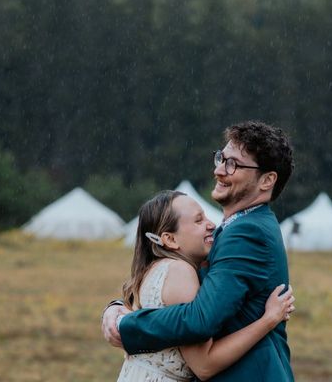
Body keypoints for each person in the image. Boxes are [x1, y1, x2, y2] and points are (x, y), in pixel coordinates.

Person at [103, 121, 296, 381]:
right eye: (221, 158)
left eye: (233, 164)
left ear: (267, 180)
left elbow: (201, 318)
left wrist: (127, 324)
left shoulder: (248, 233)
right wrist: (117, 307)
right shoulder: (232, 229)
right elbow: (171, 287)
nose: (219, 170)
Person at [117, 190, 294, 381]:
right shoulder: (181, 272)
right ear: (170, 239)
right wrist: (268, 320)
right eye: (198, 221)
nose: (211, 225)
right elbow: (204, 365)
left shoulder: (156, 268)